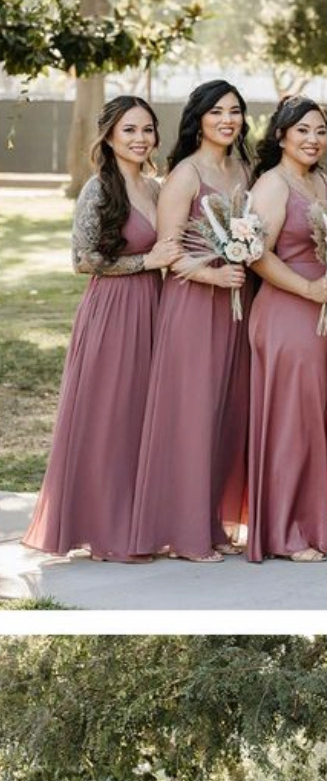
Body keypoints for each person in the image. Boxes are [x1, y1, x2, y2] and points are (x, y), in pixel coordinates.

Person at [22, 97, 178, 561]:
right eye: (129, 130)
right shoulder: (99, 189)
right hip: (112, 311)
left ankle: (137, 523)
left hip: (153, 308)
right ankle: (105, 530)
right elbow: (82, 259)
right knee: (110, 414)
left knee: (141, 417)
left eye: (147, 129)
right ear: (109, 135)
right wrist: (145, 261)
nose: (140, 138)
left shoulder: (155, 186)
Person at [130, 79, 253, 562]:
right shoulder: (185, 174)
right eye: (217, 111)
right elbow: (167, 252)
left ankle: (209, 521)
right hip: (194, 305)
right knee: (192, 416)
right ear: (198, 118)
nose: (227, 119)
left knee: (225, 414)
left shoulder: (244, 169)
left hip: (238, 306)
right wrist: (213, 277)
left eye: (235, 111)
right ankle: (183, 534)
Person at [246, 96, 327, 563]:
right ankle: (283, 533)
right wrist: (308, 290)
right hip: (289, 311)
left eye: (320, 130)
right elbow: (257, 255)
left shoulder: (323, 181)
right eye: (302, 130)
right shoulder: (273, 184)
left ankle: (307, 523)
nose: (312, 139)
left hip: (324, 312)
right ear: (281, 135)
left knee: (311, 420)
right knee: (290, 423)